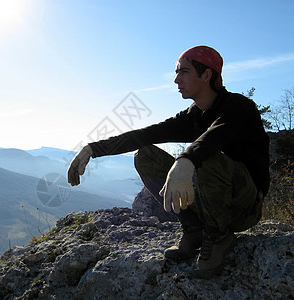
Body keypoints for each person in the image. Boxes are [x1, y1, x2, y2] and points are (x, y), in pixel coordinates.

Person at [67, 45, 270, 279]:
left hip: (244, 206)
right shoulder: (193, 116)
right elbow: (144, 135)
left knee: (208, 158)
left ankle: (219, 236)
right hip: (208, 202)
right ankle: (194, 229)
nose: (176, 79)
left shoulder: (239, 107)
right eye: (177, 72)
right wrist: (93, 149)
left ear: (206, 75)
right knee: (145, 155)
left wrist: (185, 160)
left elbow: (213, 137)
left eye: (183, 72)